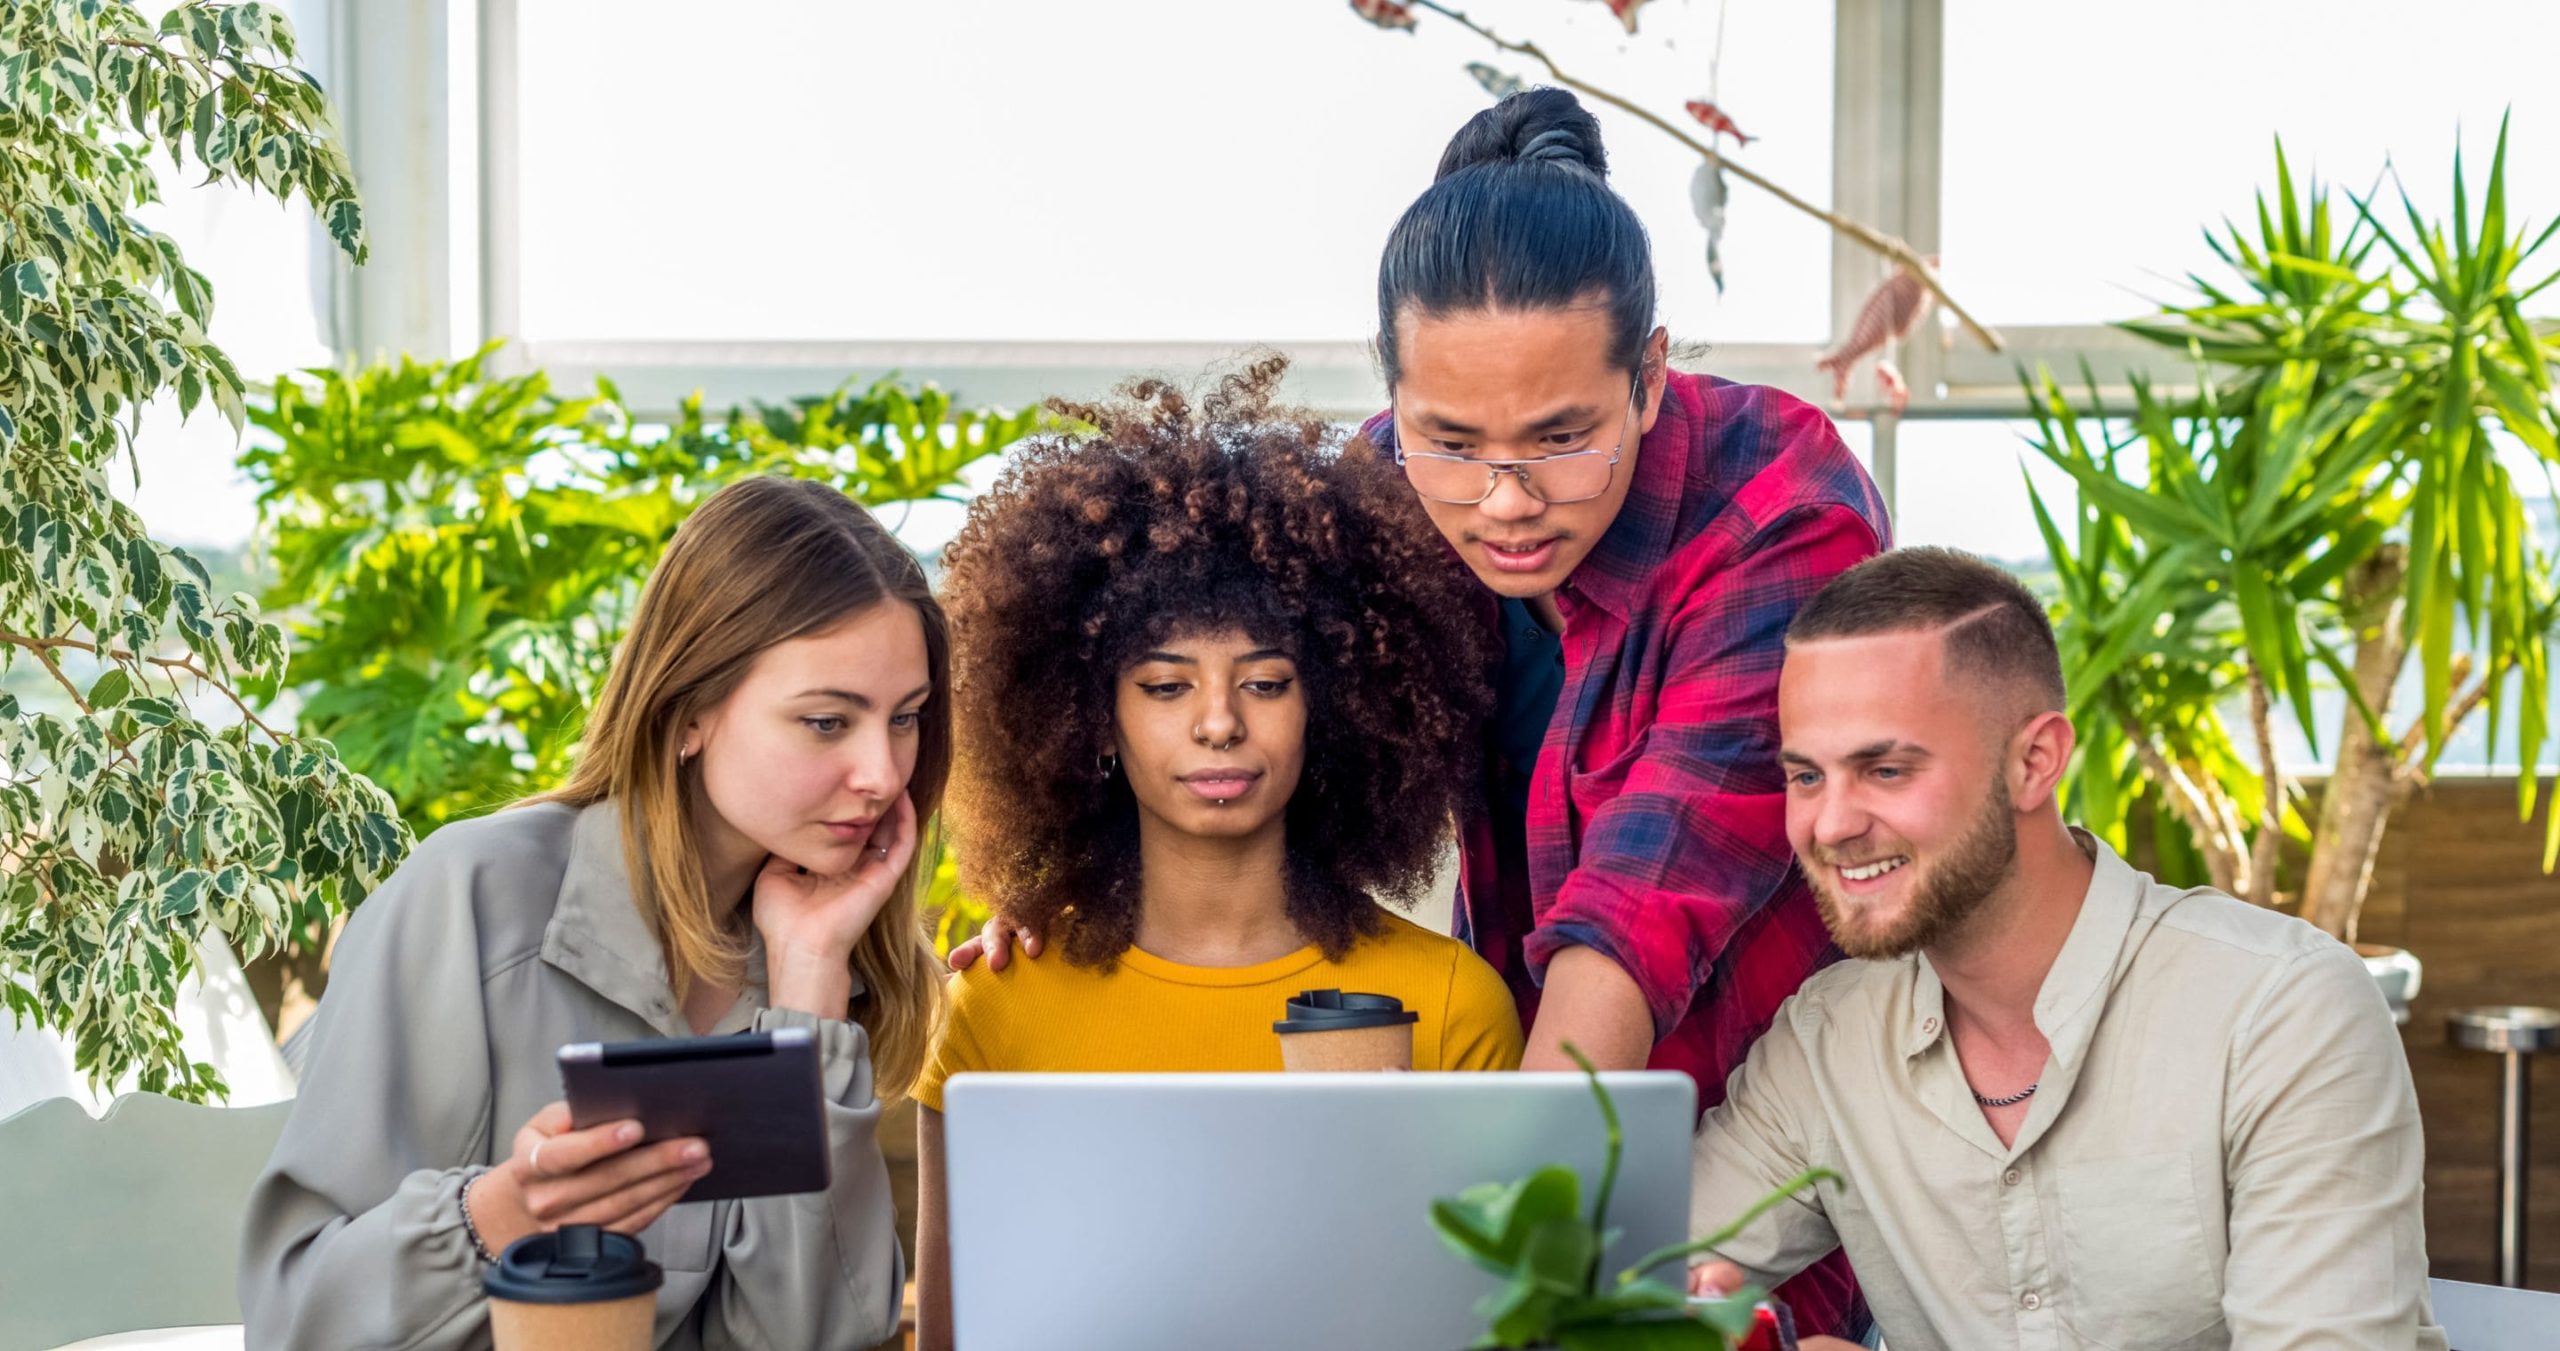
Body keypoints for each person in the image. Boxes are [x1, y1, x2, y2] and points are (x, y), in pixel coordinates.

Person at [953, 87, 1883, 1334]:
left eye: (1561, 439)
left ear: (1650, 377)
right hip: (1513, 1088)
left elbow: (1656, 887)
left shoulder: (1775, 497)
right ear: (1396, 395)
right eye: (1451, 439)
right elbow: (1217, 713)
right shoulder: (1378, 496)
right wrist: (1072, 874)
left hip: (1760, 1126)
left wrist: (1504, 1219)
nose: (1502, 501)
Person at [239, 476, 942, 1350]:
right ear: (689, 711)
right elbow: (292, 1317)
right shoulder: (468, 899)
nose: (882, 772)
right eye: (829, 721)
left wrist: (806, 995)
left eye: (906, 718)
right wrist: (499, 1213)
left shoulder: (823, 951)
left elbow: (809, 1336)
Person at [1685, 547, 2444, 1350]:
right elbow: (1605, 1288)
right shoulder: (1826, 1043)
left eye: (1886, 768)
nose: (1831, 823)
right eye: (1807, 777)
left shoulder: (2283, 1009)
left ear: (2034, 761)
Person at [912, 361, 1526, 1351]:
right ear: (1091, 720)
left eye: (1267, 682)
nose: (1217, 724)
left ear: (1330, 705)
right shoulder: (1001, 1003)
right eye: (1163, 686)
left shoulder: (1451, 1007)